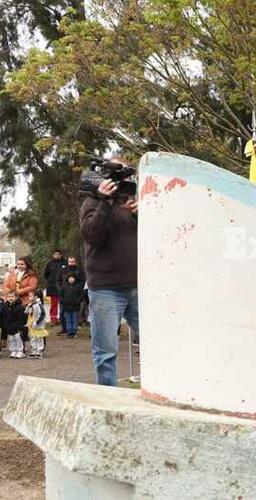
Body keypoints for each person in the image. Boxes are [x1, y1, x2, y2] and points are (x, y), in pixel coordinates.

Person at [80, 158, 139, 386]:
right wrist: (105, 202)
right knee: (106, 353)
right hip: (105, 289)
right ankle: (109, 401)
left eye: (124, 176)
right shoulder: (91, 202)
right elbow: (92, 235)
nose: (121, 181)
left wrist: (146, 214)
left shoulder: (132, 204)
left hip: (137, 286)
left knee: (156, 344)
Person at [43, 250, 65, 325]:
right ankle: (53, 319)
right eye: (55, 254)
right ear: (53, 255)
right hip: (52, 287)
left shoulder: (64, 263)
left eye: (58, 254)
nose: (57, 255)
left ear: (61, 255)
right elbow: (45, 274)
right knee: (53, 304)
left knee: (63, 303)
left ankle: (62, 319)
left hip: (63, 286)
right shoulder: (49, 263)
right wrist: (51, 281)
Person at [25, 290, 48, 358]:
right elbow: (28, 314)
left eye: (30, 296)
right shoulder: (30, 305)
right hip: (31, 325)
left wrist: (37, 322)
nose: (29, 298)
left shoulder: (39, 305)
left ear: (36, 297)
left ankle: (39, 350)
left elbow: (42, 315)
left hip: (38, 325)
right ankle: (34, 350)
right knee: (33, 338)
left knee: (39, 338)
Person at [3, 291, 27, 359]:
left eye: (12, 296)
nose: (10, 298)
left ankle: (20, 351)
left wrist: (20, 327)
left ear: (16, 297)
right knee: (11, 339)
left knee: (18, 338)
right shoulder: (5, 306)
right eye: (9, 297)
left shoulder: (20, 307)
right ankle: (13, 350)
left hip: (17, 327)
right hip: (9, 327)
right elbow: (5, 317)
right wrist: (6, 326)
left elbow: (21, 319)